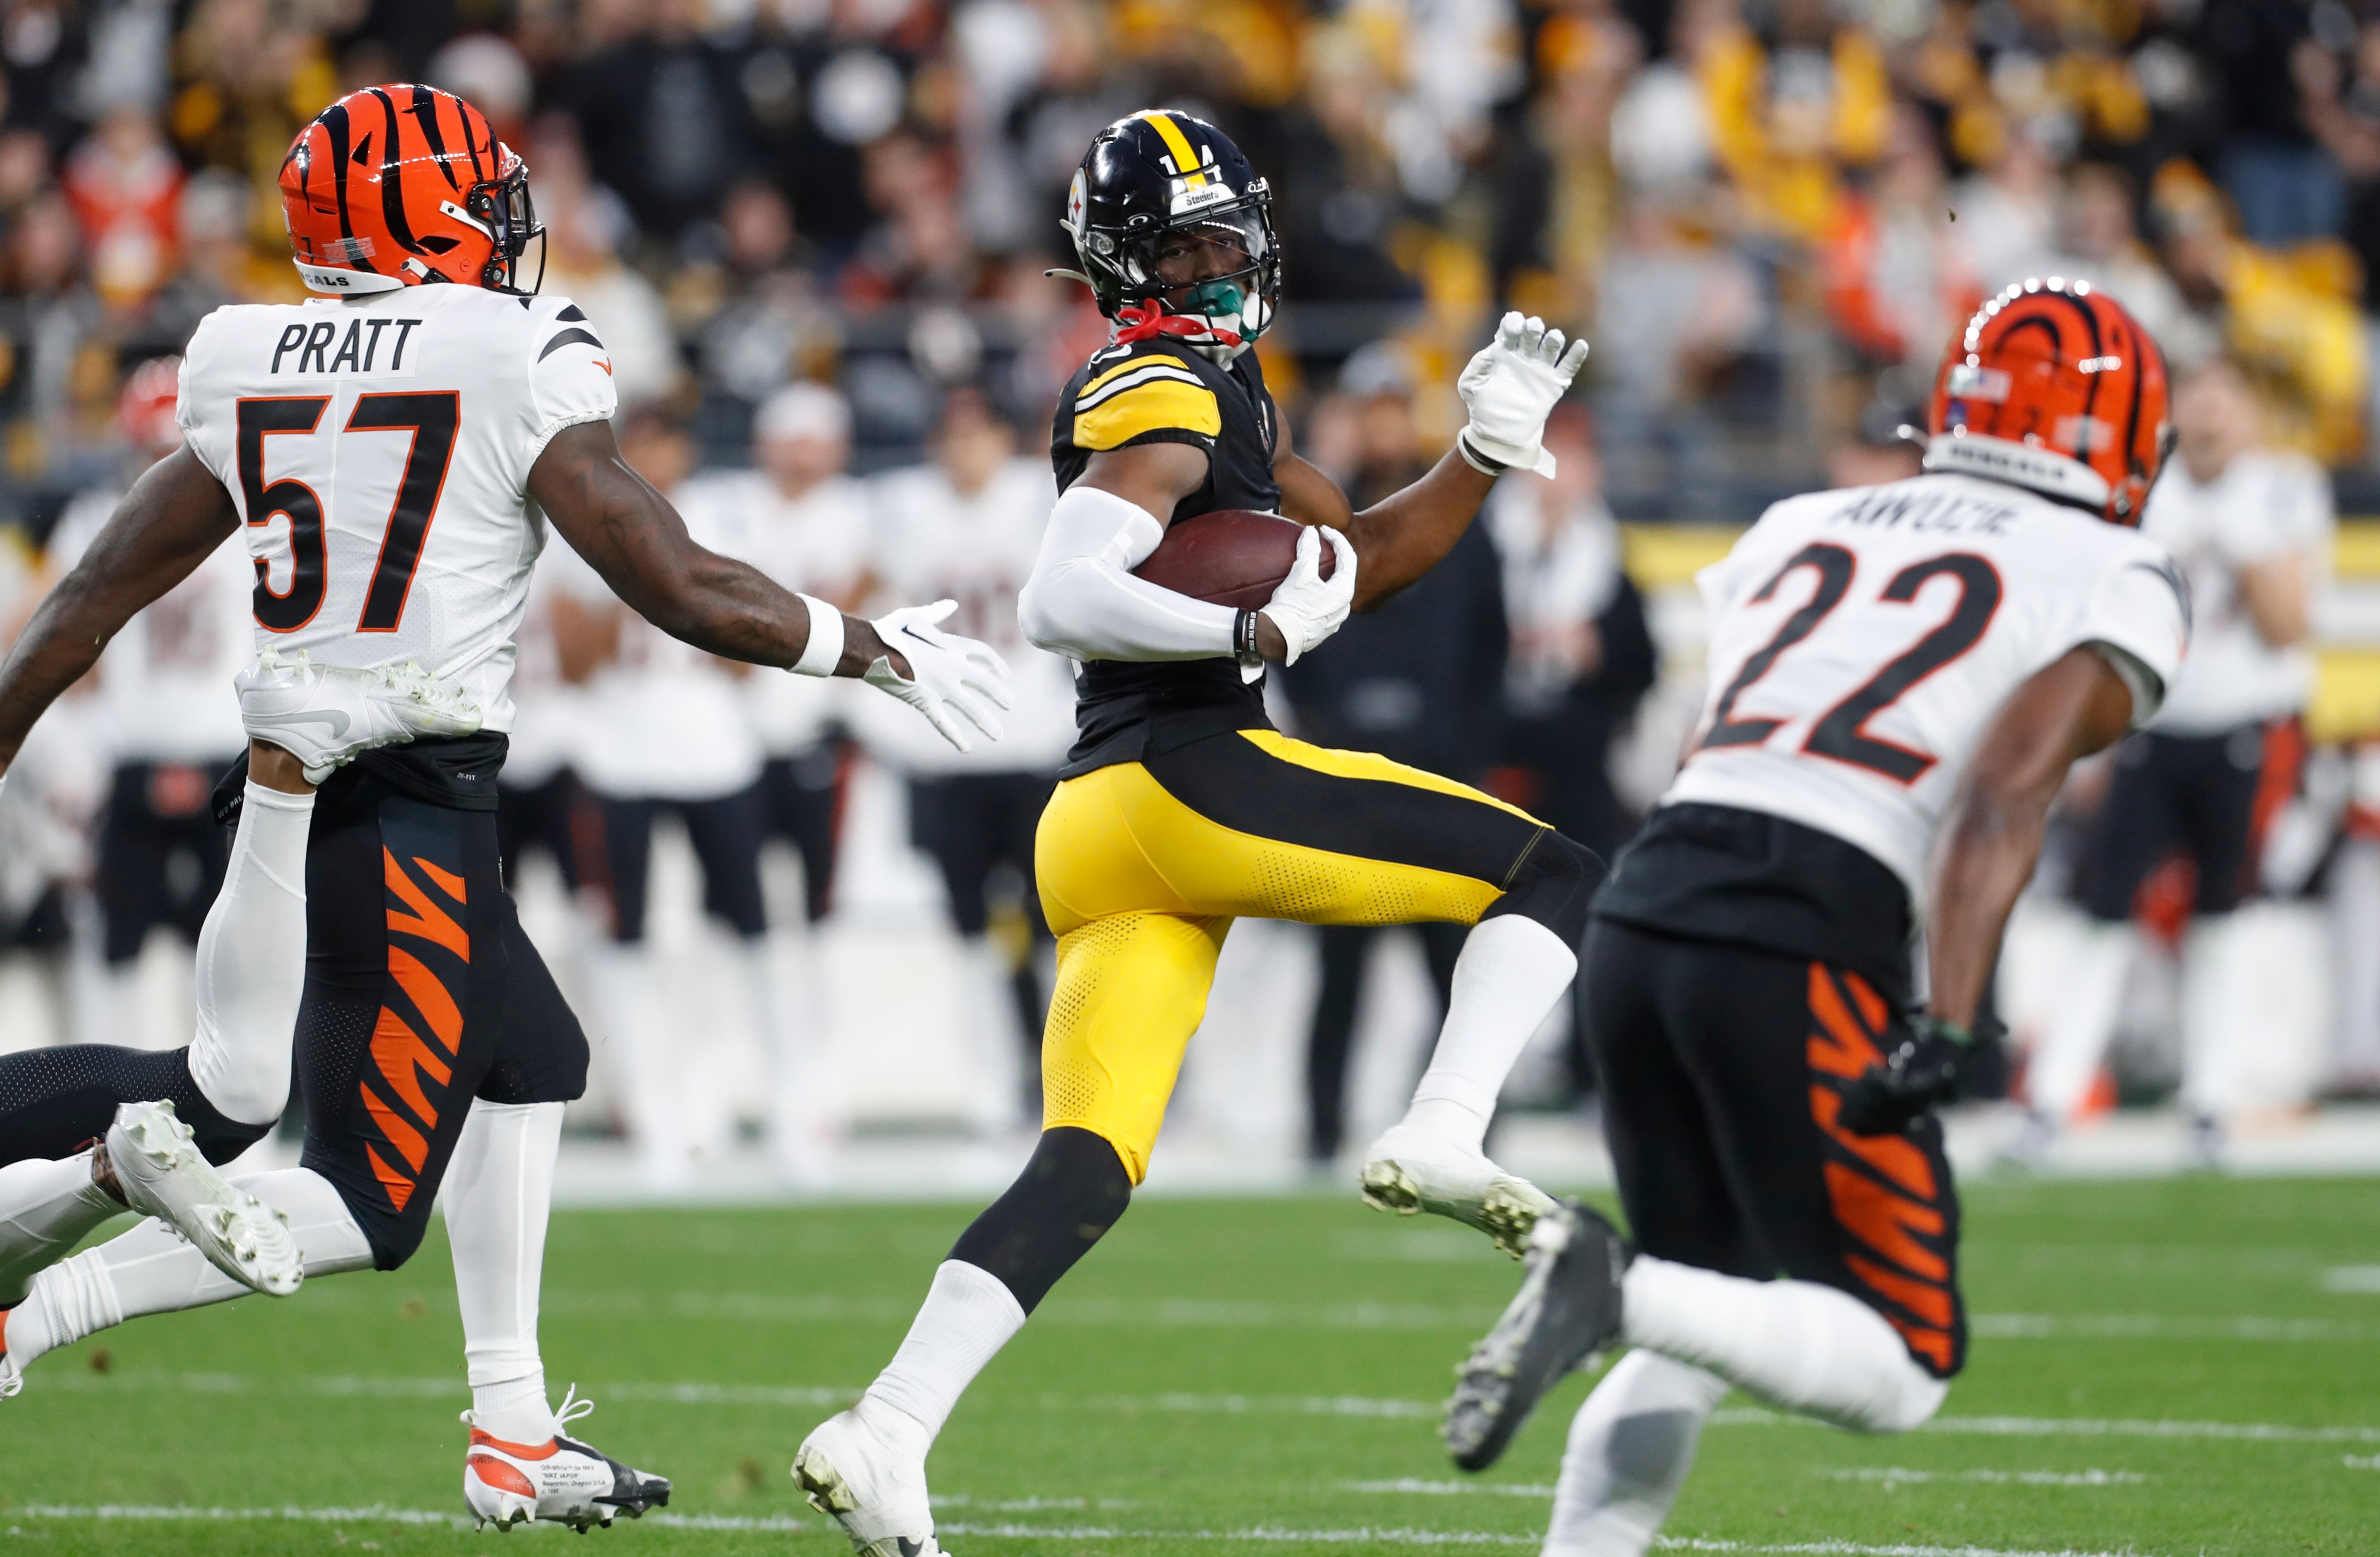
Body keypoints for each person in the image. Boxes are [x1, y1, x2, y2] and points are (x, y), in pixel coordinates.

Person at [0, 85, 1008, 1528]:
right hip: (404, 801)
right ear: (419, 216)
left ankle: (515, 1428)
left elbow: (91, 597)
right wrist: (868, 648)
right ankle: (27, 1312)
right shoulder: (509, 348)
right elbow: (670, 576)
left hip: (318, 785)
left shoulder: (240, 352)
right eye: (481, 197)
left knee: (531, 1052)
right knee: (356, 1201)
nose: (508, 225)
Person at [790, 109, 1593, 1557]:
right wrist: (1244, 622)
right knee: (1553, 874)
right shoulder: (1161, 385)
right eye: (1190, 244)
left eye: (1229, 236)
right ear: (1125, 263)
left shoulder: (1210, 385)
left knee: (1088, 1161)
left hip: (1102, 826)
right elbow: (1058, 592)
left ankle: (886, 1427)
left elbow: (1354, 559)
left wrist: (1479, 452)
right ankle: (1446, 1130)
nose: (1222, 264)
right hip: (1186, 772)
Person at [1435, 280, 2190, 1557]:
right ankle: (1605, 1282)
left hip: (1652, 902)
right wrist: (1952, 1023)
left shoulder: (1805, 521)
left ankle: (1616, 1340)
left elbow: (1708, 741)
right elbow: (2006, 789)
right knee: (1904, 1362)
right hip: (1794, 930)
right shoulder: (2112, 567)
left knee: (1704, 1309)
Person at [2017, 356, 2333, 1167]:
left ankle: (2210, 1100)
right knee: (2103, 912)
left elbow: (2289, 625)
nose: (2210, 412)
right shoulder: (2142, 493)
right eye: (2196, 396)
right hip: (2149, 730)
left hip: (2242, 732)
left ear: (2250, 409)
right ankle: (2053, 1099)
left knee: (2223, 916)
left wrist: (2237, 544)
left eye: (2225, 395)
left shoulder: (2283, 490)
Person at [1280, 349, 1511, 1164]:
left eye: (1392, 408)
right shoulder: (1318, 516)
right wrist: (1315, 727)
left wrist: (1465, 748)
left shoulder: (1458, 519)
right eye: (1369, 409)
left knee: (1455, 968)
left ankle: (1469, 1125)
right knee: (1339, 971)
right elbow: (1288, 638)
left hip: (1436, 781)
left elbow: (1492, 647)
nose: (1382, 426)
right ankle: (1320, 1134)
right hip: (1347, 784)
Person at [859, 387, 1076, 1133]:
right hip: (945, 750)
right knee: (971, 931)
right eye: (952, 438)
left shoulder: (1042, 501)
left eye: (977, 435)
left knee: (1060, 925)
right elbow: (860, 597)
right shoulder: (902, 511)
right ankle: (998, 1081)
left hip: (1032, 742)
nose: (965, 451)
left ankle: (1065, 1076)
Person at [43, 358, 252, 1046]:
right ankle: (233, 1099)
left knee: (166, 950)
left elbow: (56, 652)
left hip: (179, 756)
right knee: (181, 951)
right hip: (206, 755)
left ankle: (136, 1104)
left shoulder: (97, 521)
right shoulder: (254, 524)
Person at [1483, 405, 1657, 1109]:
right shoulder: (1487, 547)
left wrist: (1594, 655)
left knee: (1588, 918)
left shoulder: (1610, 562)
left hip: (1578, 760)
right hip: (1498, 753)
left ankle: (1586, 1070)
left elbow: (1641, 666)